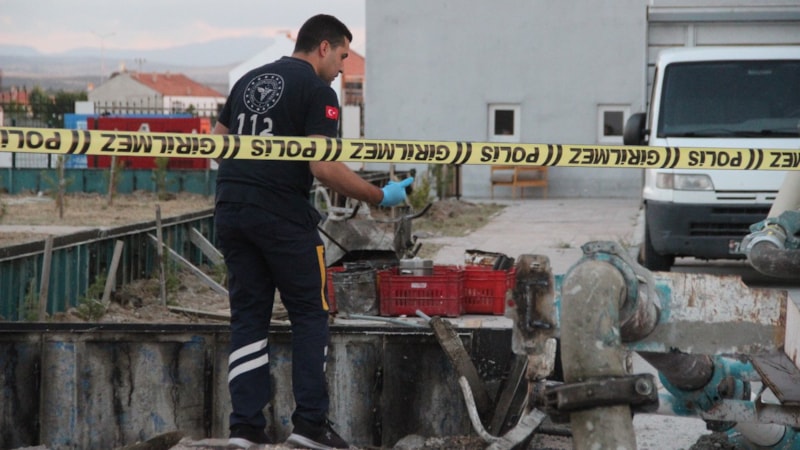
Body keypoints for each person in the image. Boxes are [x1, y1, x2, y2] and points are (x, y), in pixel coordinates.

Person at [212, 14, 413, 450]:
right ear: (324, 47)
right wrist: (380, 197)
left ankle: (244, 431)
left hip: (231, 210)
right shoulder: (318, 91)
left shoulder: (248, 81)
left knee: (248, 318)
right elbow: (322, 167)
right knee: (310, 314)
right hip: (282, 216)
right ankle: (309, 428)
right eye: (342, 56)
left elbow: (216, 142)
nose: (343, 68)